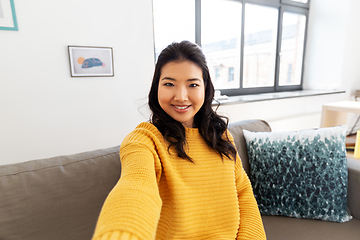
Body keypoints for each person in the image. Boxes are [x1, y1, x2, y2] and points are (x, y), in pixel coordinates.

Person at [91, 41, 266, 240]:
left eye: (192, 84)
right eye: (169, 84)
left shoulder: (221, 135)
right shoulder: (144, 140)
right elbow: (136, 186)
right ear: (156, 86)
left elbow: (243, 192)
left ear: (205, 87)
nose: (181, 96)